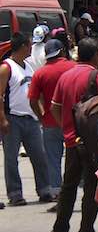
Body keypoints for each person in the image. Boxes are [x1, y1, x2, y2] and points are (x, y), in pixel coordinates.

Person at [49, 38, 98, 232]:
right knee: (92, 189)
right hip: (92, 143)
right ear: (95, 55)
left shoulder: (66, 76)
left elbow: (55, 107)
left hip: (72, 141)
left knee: (68, 187)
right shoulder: (97, 75)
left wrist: (67, 128)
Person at [0, 32, 52, 206]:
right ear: (22, 46)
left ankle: (44, 190)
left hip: (30, 119)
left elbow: (36, 94)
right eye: (29, 45)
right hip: (12, 118)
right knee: (11, 159)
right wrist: (2, 119)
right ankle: (15, 194)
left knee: (39, 155)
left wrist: (41, 113)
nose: (31, 48)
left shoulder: (28, 67)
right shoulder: (6, 67)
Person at [28, 39, 76, 199]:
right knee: (77, 155)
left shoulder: (40, 73)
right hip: (73, 122)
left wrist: (41, 117)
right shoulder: (74, 67)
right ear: (62, 51)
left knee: (53, 159)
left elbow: (33, 100)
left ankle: (57, 193)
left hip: (49, 122)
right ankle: (82, 185)